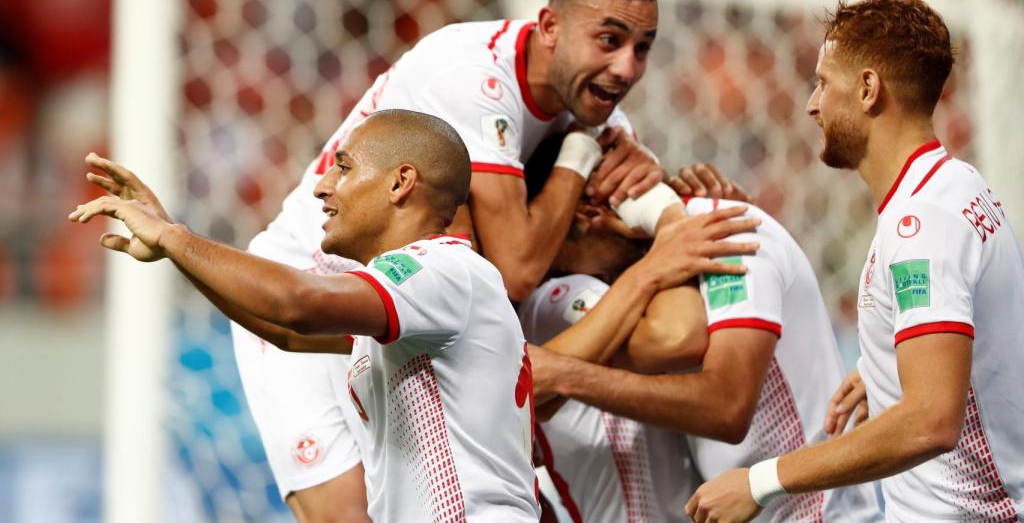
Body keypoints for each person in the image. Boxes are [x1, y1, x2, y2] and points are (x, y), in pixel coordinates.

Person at [217, 0, 742, 519]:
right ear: (549, 27)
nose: (627, 68)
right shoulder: (471, 75)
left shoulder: (603, 119)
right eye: (609, 40)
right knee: (348, 515)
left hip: (416, 320)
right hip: (313, 287)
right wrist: (581, 154)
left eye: (643, 48)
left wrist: (671, 208)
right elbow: (516, 268)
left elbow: (643, 299)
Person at [73, 108, 757, 522]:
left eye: (343, 167)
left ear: (401, 182)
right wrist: (178, 250)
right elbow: (283, 329)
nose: (323, 185)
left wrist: (178, 238)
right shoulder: (414, 300)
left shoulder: (441, 272)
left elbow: (297, 302)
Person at [686, 0, 1024, 523]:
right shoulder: (955, 185)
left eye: (823, 83)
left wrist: (762, 480)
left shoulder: (922, 224)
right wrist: (887, 368)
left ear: (867, 90)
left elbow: (932, 420)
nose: (811, 105)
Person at [528, 191, 883, 522]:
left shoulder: (722, 231)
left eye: (558, 252)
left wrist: (567, 375)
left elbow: (694, 361)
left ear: (589, 214)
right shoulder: (556, 299)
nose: (555, 264)